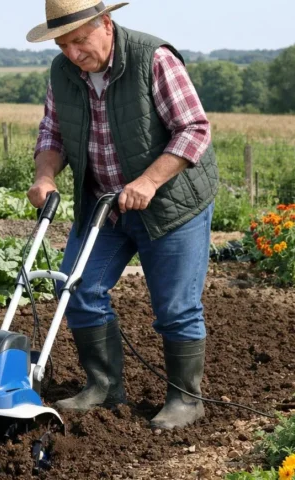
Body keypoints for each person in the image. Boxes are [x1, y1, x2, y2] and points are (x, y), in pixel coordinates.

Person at [25, 0, 219, 430]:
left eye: (80, 40)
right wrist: (45, 176)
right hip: (104, 205)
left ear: (107, 24)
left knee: (175, 306)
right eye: (63, 45)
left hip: (171, 205)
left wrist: (149, 182)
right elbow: (52, 132)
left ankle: (186, 400)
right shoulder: (63, 73)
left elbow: (194, 128)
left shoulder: (153, 59)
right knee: (76, 288)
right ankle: (104, 386)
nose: (74, 53)